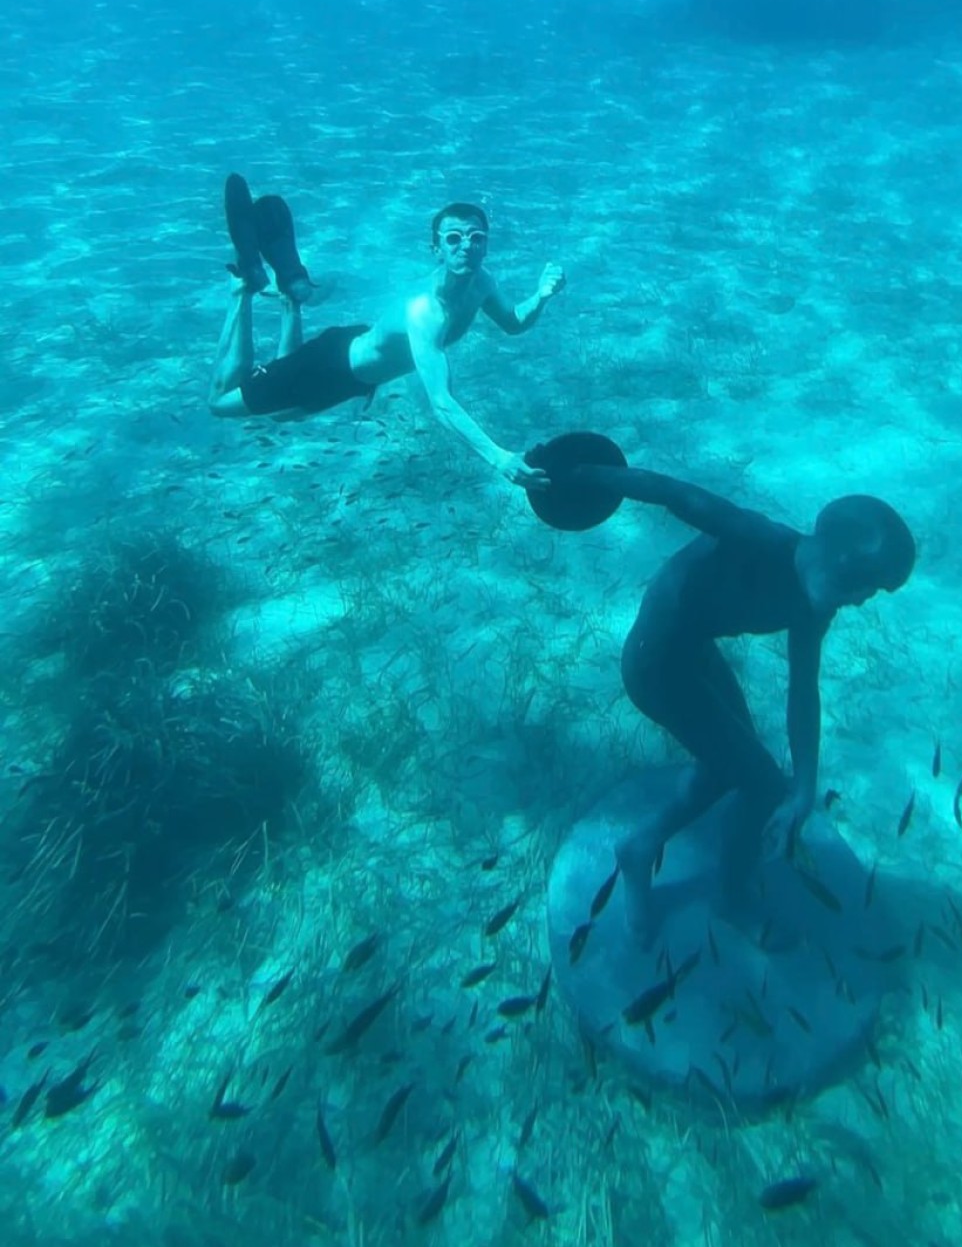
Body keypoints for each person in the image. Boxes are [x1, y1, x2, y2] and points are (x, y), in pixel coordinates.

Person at [543, 454, 916, 944]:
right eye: (867, 588)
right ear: (841, 563)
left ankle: (640, 848)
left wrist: (806, 785)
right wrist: (580, 473)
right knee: (759, 783)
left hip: (691, 651)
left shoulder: (813, 607)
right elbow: (675, 493)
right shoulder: (758, 538)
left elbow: (803, 690)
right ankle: (731, 898)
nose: (864, 602)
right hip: (653, 664)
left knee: (739, 767)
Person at [207, 174, 565, 487]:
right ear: (435, 249)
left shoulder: (482, 282)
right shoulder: (427, 312)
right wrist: (498, 457)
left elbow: (513, 323)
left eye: (476, 237)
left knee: (286, 411)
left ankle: (292, 293)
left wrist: (541, 296)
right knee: (222, 404)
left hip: (355, 369)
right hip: (328, 366)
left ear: (485, 244)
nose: (466, 246)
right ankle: (243, 289)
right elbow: (441, 403)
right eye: (453, 239)